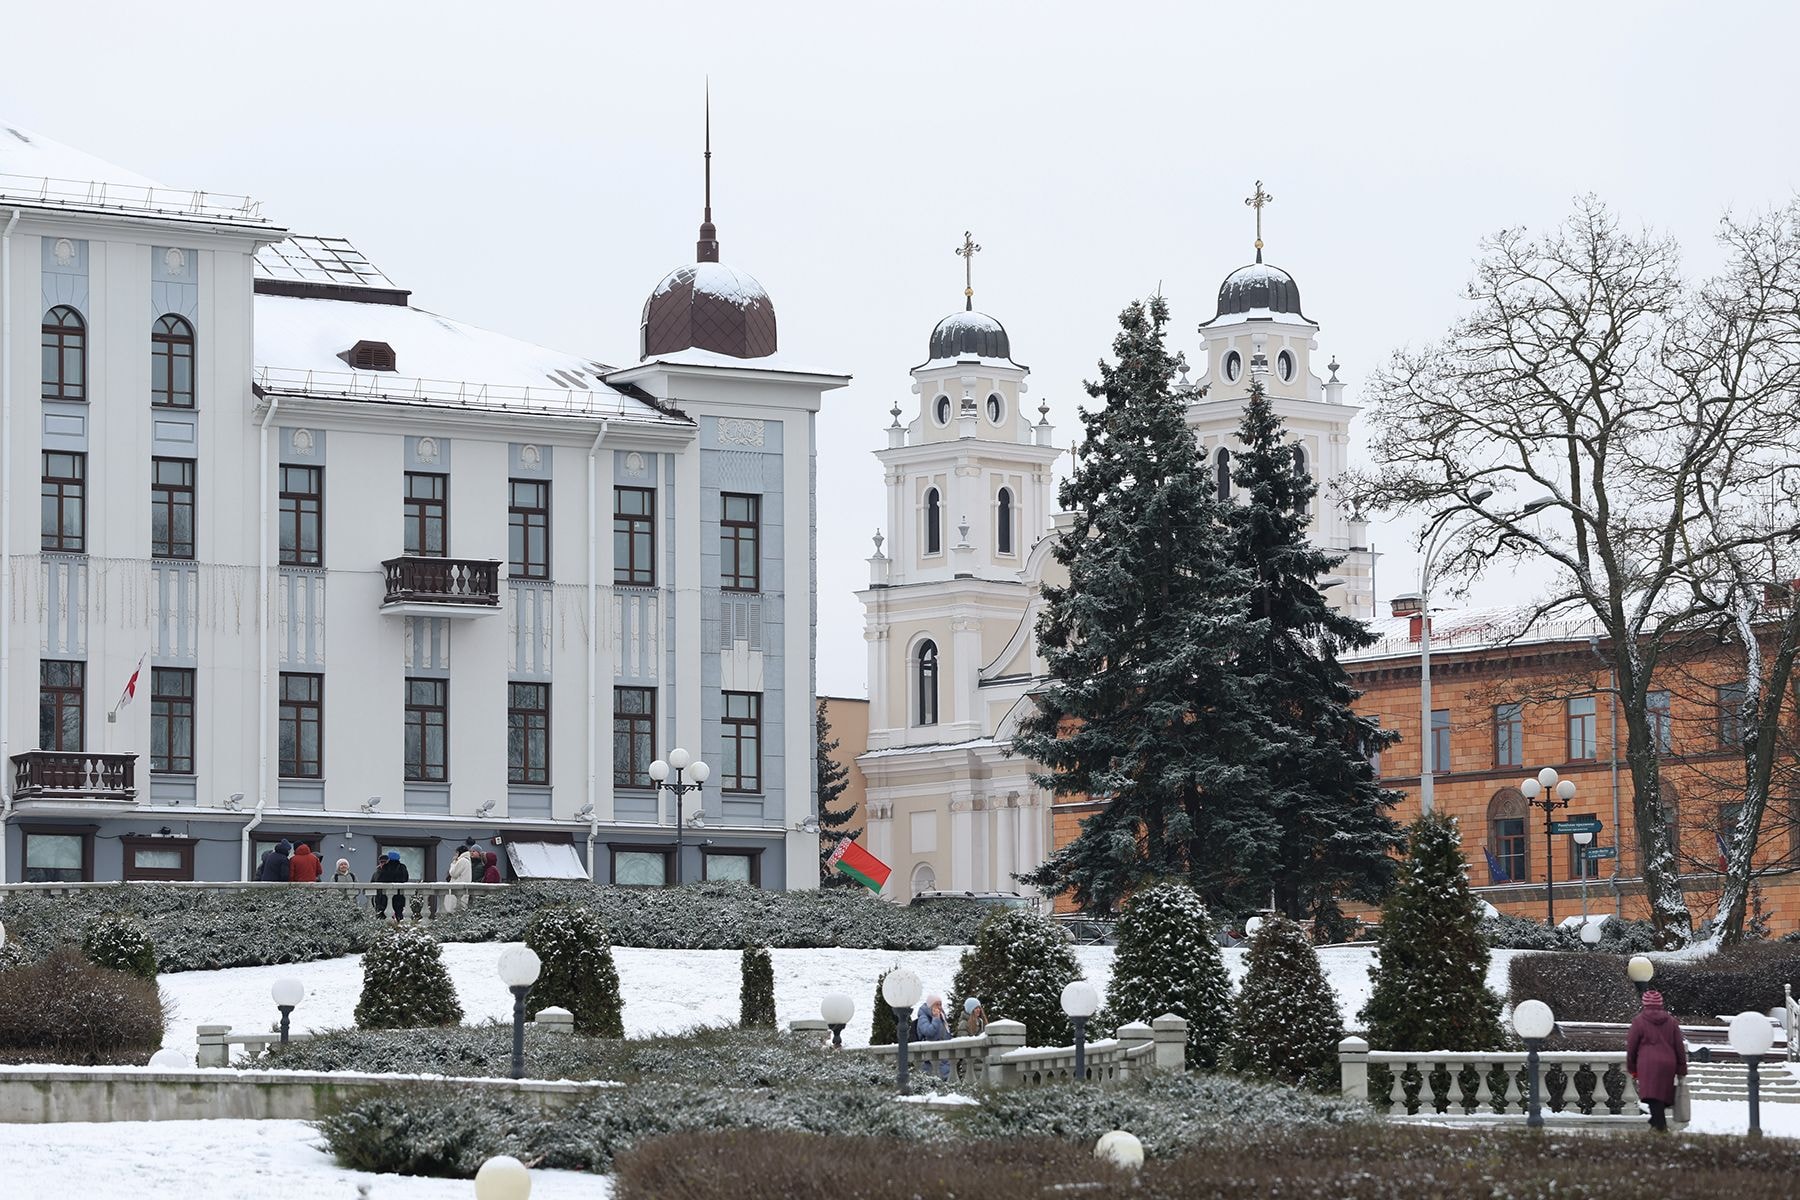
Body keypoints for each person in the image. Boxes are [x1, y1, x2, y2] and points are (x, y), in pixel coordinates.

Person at [1626, 989, 1687, 1131]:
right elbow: (1679, 1046)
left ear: (1644, 1003)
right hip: (1668, 1063)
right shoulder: (1671, 1022)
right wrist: (1681, 1067)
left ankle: (1659, 1126)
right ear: (1661, 1003)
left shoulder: (1639, 1021)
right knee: (1661, 1094)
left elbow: (1632, 1046)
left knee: (1652, 1095)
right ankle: (1656, 1123)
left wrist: (1632, 1066)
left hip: (1647, 1063)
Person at [914, 994, 954, 1080]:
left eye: (940, 1004)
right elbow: (928, 1032)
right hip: (931, 1058)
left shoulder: (942, 1016)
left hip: (943, 1056)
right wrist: (935, 1019)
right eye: (937, 1004)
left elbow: (946, 1035)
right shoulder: (923, 1017)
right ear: (930, 1005)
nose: (939, 1007)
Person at [372, 849, 410, 920]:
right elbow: (406, 878)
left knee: (384, 915)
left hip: (385, 896)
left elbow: (380, 880)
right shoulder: (403, 867)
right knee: (399, 914)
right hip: (399, 895)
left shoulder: (386, 867)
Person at [443, 845, 473, 913]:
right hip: (462, 889)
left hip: (457, 890)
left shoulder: (462, 861)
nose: (455, 855)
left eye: (456, 853)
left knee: (453, 909)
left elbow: (453, 873)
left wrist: (453, 862)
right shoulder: (467, 861)